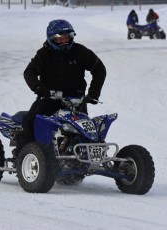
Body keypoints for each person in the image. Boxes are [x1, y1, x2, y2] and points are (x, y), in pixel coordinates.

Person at [15, 19, 106, 155]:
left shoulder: (80, 51)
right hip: (50, 98)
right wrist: (38, 88)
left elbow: (99, 69)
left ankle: (87, 157)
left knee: (86, 132)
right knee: (29, 122)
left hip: (76, 102)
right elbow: (29, 72)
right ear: (52, 39)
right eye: (60, 39)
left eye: (67, 38)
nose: (64, 42)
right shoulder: (43, 54)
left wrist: (93, 93)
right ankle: (21, 156)